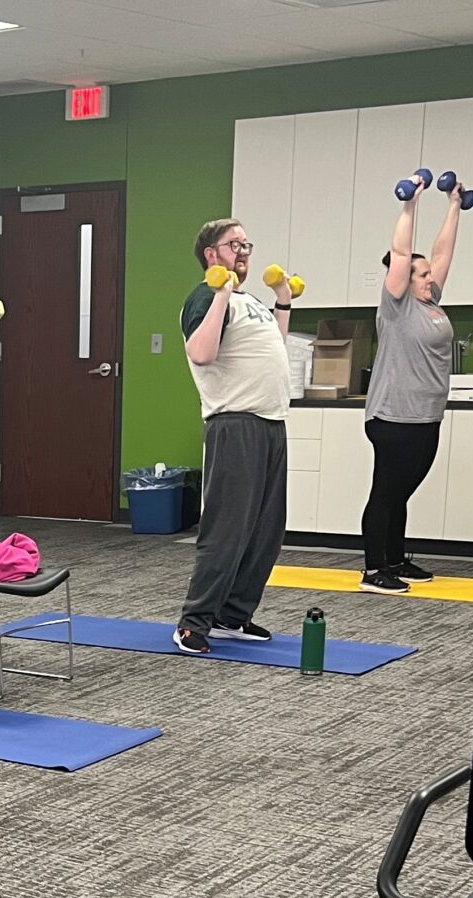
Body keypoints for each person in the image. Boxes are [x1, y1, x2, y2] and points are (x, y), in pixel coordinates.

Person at [173, 220, 292, 655]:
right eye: (233, 244)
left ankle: (231, 615)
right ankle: (193, 622)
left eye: (246, 244)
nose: (243, 251)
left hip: (270, 422)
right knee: (227, 530)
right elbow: (202, 354)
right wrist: (221, 291)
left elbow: (273, 347)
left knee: (265, 531)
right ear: (211, 254)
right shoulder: (204, 296)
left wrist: (282, 303)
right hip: (235, 423)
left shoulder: (249, 300)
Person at [360, 175, 465, 594]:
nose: (427, 277)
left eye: (425, 274)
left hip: (425, 416)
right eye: (419, 274)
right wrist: (411, 204)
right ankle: (373, 569)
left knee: (402, 491)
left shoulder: (431, 301)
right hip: (393, 417)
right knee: (386, 491)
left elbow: (442, 252)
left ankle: (395, 558)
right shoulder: (397, 306)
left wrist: (453, 205)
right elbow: (403, 252)